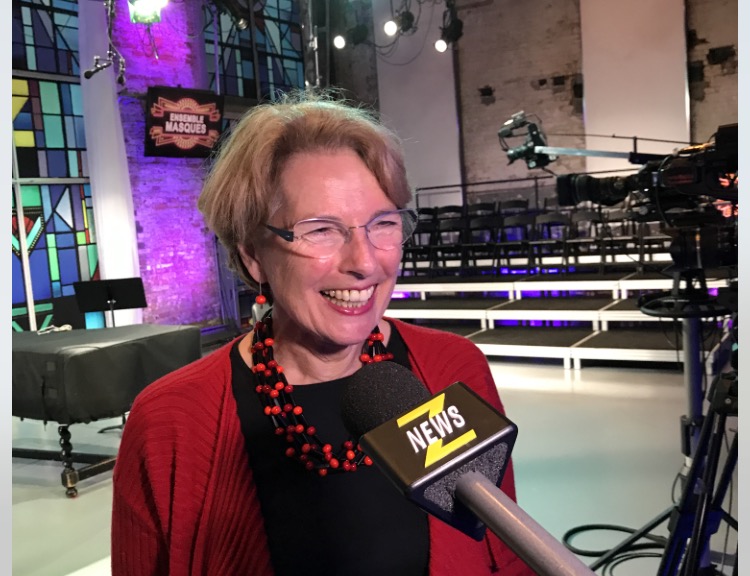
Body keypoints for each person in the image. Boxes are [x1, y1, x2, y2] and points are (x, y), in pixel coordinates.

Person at [111, 91, 534, 576]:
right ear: (253, 255)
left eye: (383, 223)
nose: (365, 262)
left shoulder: (455, 367)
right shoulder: (168, 421)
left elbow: (504, 553)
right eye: (321, 230)